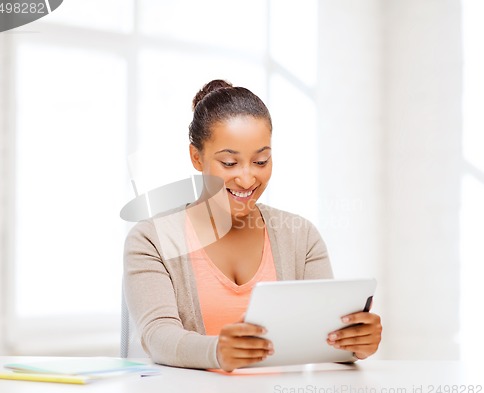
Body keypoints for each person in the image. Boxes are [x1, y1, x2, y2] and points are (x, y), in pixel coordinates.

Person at [124, 79, 382, 372]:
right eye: (230, 164)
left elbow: (322, 337)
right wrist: (218, 351)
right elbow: (158, 336)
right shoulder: (152, 240)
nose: (247, 180)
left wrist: (354, 343)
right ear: (197, 157)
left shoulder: (301, 236)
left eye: (261, 161)